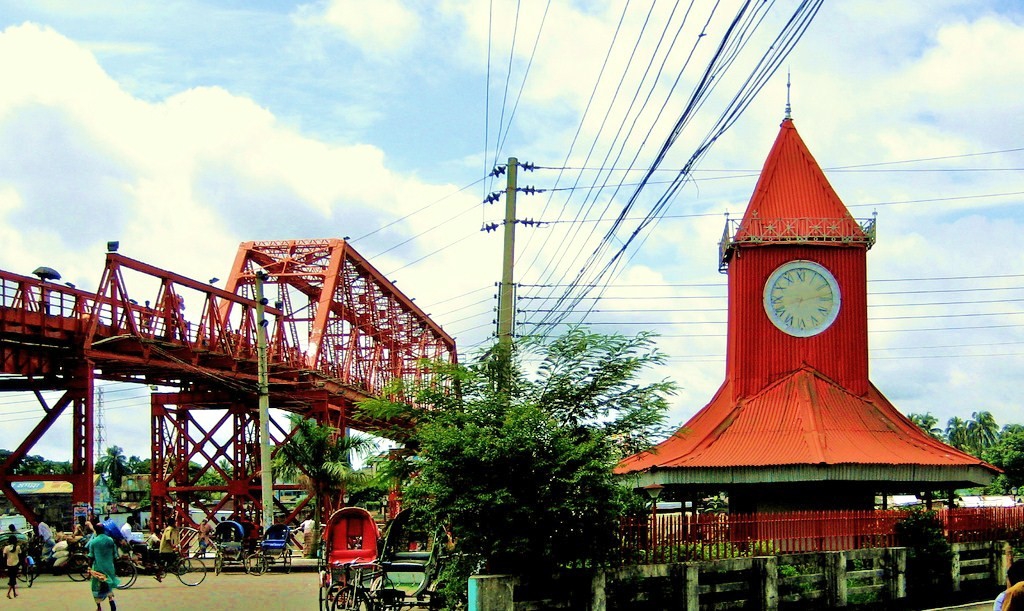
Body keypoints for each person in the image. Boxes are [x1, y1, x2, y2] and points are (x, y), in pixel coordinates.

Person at [86, 523, 119, 611]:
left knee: (96, 587)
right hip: (109, 567)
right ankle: (111, 599)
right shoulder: (110, 540)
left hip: (98, 568)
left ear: (96, 531)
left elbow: (91, 556)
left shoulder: (93, 542)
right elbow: (115, 555)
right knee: (108, 585)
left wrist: (89, 568)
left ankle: (99, 606)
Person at [4, 534, 20, 599]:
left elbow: (4, 557)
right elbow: (20, 554)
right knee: (13, 579)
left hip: (9, 564)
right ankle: (8, 593)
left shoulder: (6, 548)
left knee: (12, 578)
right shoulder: (18, 547)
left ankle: (14, 593)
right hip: (15, 564)